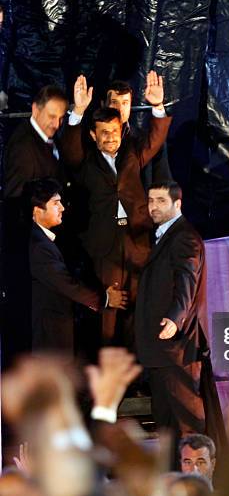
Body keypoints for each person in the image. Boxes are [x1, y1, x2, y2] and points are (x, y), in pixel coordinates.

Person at [61, 72, 171, 347]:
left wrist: (158, 107)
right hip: (103, 249)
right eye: (104, 133)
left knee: (138, 308)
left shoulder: (133, 152)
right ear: (93, 135)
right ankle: (108, 376)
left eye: (115, 131)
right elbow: (70, 150)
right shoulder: (85, 161)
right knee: (108, 313)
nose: (111, 137)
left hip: (136, 243)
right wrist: (77, 112)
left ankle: (137, 376)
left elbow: (155, 141)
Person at [2, 85, 70, 363]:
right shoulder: (23, 148)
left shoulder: (46, 141)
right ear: (34, 109)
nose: (56, 124)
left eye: (60, 118)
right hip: (29, 253)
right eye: (51, 116)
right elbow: (14, 200)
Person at [135, 181, 207, 441]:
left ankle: (197, 478)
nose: (153, 206)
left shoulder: (184, 237)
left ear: (177, 204)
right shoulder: (165, 235)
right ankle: (171, 478)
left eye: (161, 201)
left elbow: (187, 279)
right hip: (163, 349)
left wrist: (175, 319)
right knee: (166, 425)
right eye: (151, 200)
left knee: (186, 423)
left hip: (176, 347)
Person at [28, 178, 127, 355]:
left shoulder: (43, 242)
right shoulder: (39, 246)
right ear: (37, 210)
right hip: (49, 338)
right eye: (56, 203)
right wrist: (104, 298)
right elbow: (66, 283)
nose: (62, 208)